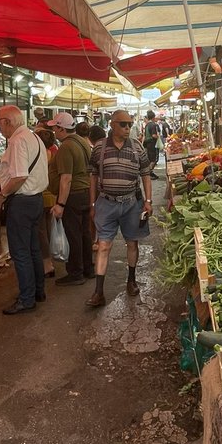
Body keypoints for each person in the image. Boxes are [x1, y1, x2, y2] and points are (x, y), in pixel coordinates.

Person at [87, 110, 153, 308]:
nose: (127, 128)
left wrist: (148, 200)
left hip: (131, 203)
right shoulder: (99, 148)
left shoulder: (137, 147)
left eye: (130, 125)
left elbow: (146, 174)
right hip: (106, 203)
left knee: (132, 243)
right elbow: (93, 177)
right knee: (104, 245)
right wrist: (92, 204)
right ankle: (98, 292)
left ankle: (131, 281)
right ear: (112, 125)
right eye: (123, 124)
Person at [0, 105, 49, 314]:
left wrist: (2, 195)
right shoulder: (33, 137)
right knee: (33, 248)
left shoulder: (17, 141)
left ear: (8, 122)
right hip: (35, 200)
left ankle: (27, 298)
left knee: (21, 252)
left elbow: (19, 176)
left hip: (22, 202)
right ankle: (38, 291)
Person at [49, 112, 94, 286]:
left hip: (72, 196)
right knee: (84, 233)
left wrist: (60, 203)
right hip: (84, 192)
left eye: (55, 128)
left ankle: (76, 273)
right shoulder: (82, 142)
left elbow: (66, 178)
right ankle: (87, 268)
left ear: (61, 128)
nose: (54, 132)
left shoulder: (67, 146)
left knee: (73, 234)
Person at [37, 127, 59, 279]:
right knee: (48, 229)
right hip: (51, 195)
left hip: (41, 195)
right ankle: (49, 258)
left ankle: (46, 264)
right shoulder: (53, 154)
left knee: (41, 231)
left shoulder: (39, 155)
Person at [143, 110, 162, 179]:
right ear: (153, 117)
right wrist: (158, 137)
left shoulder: (147, 125)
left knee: (150, 159)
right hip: (153, 144)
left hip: (147, 144)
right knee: (154, 160)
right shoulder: (153, 125)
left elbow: (144, 135)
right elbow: (154, 135)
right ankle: (149, 173)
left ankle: (150, 173)